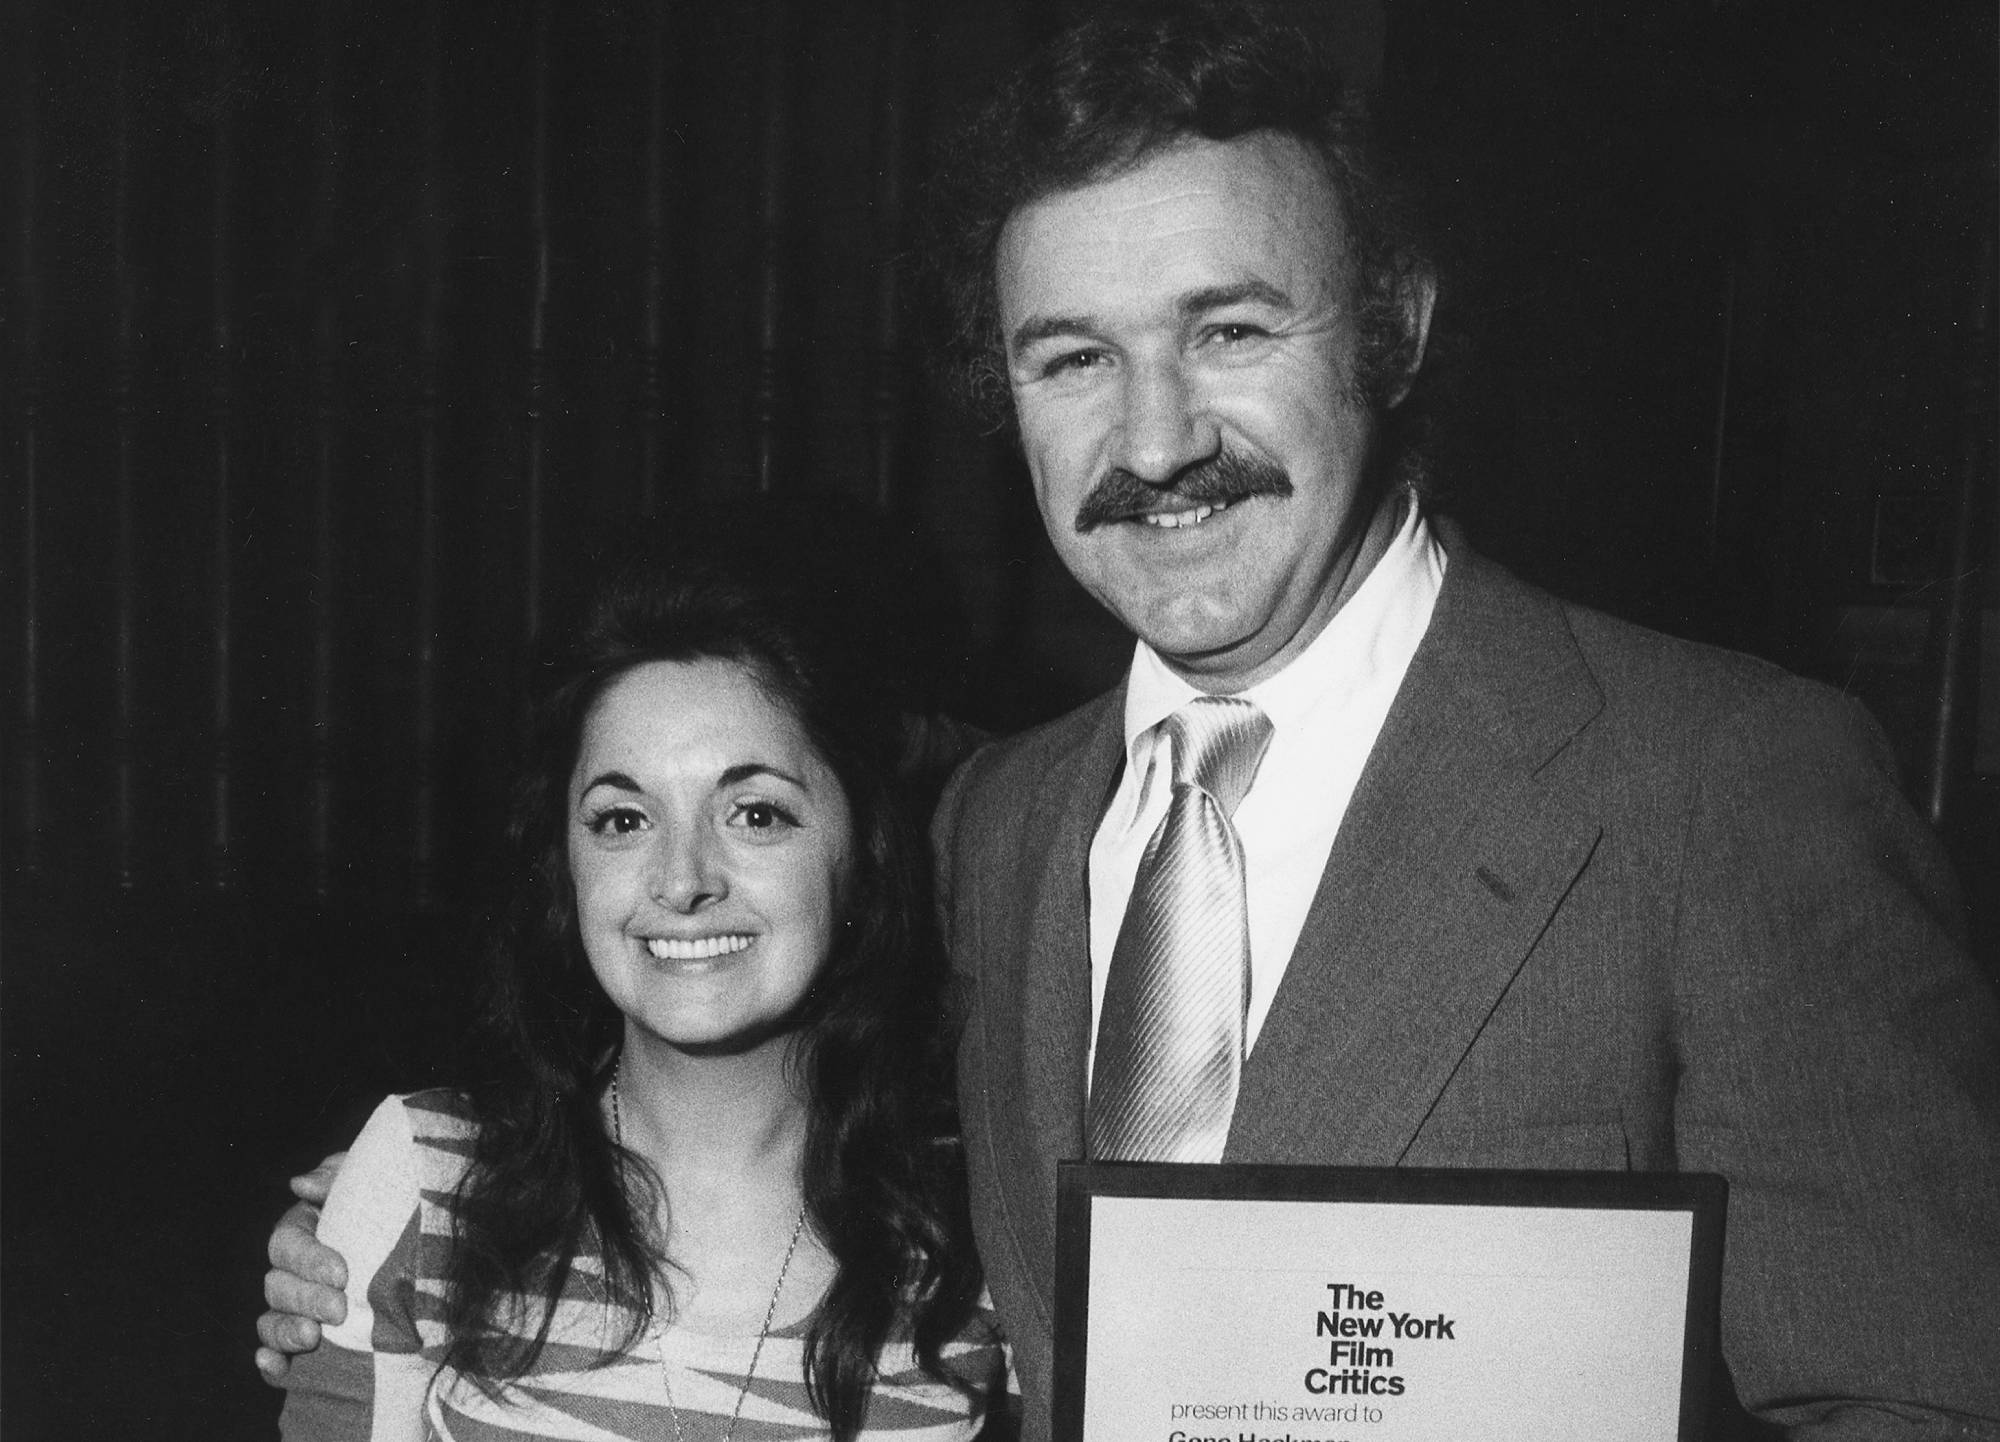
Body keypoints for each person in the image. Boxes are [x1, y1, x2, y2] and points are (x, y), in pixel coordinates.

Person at [263, 3, 2000, 1437]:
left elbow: (1917, 1401)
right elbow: (797, 1153)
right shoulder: (998, 825)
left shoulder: (1723, 783)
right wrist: (382, 1235)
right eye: (1073, 357)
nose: (1156, 440)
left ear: (1392, 328)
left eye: (1228, 329)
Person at [274, 561, 1009, 1440]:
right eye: (623, 820)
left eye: (756, 814)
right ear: (566, 865)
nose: (682, 881)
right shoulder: (430, 1179)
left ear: (865, 851)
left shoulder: (986, 1219)